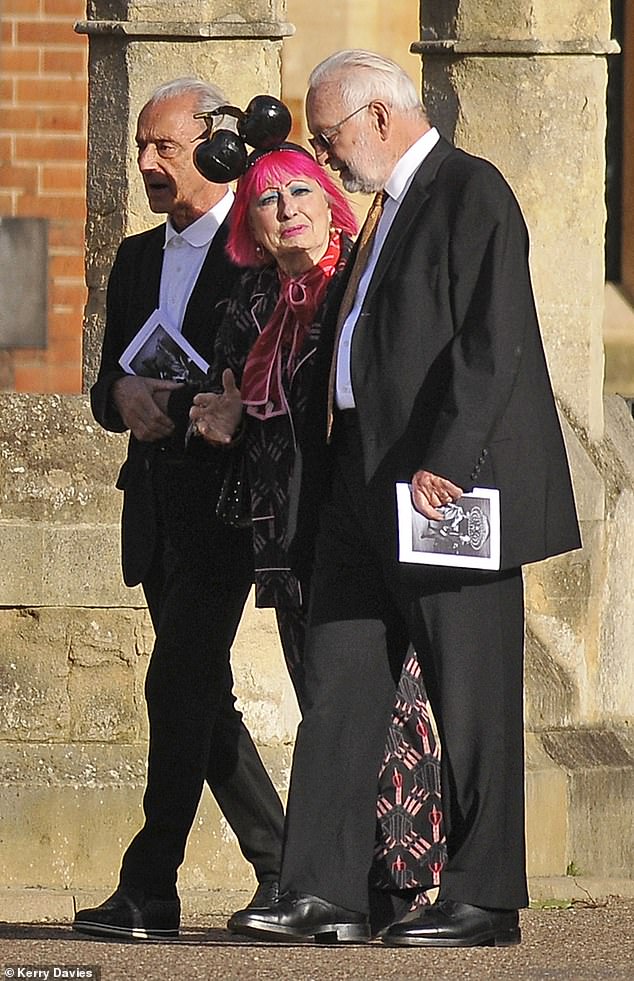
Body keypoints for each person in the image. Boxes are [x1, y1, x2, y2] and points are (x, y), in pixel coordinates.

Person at [228, 49, 581, 947]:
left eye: (330, 135)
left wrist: (449, 460)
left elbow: (492, 336)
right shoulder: (385, 208)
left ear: (379, 117)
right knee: (344, 682)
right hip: (363, 482)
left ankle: (485, 896)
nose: (326, 156)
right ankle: (322, 889)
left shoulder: (469, 190)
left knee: (471, 691)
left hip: (445, 485)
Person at [188, 140, 445, 932]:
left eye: (302, 190)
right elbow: (228, 388)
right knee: (328, 705)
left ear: (330, 202)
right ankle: (346, 886)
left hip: (363, 523)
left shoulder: (353, 281)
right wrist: (221, 416)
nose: (288, 208)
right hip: (285, 533)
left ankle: (403, 881)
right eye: (268, 200)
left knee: (396, 706)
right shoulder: (254, 300)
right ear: (252, 227)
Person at [73, 78, 285, 942]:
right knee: (204, 691)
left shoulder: (260, 245)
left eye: (166, 146)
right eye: (142, 149)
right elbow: (101, 387)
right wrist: (123, 394)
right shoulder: (132, 258)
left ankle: (150, 882)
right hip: (156, 505)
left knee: (176, 680)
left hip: (229, 505)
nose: (151, 164)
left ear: (212, 144)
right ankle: (284, 864)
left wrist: (195, 398)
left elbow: (270, 377)